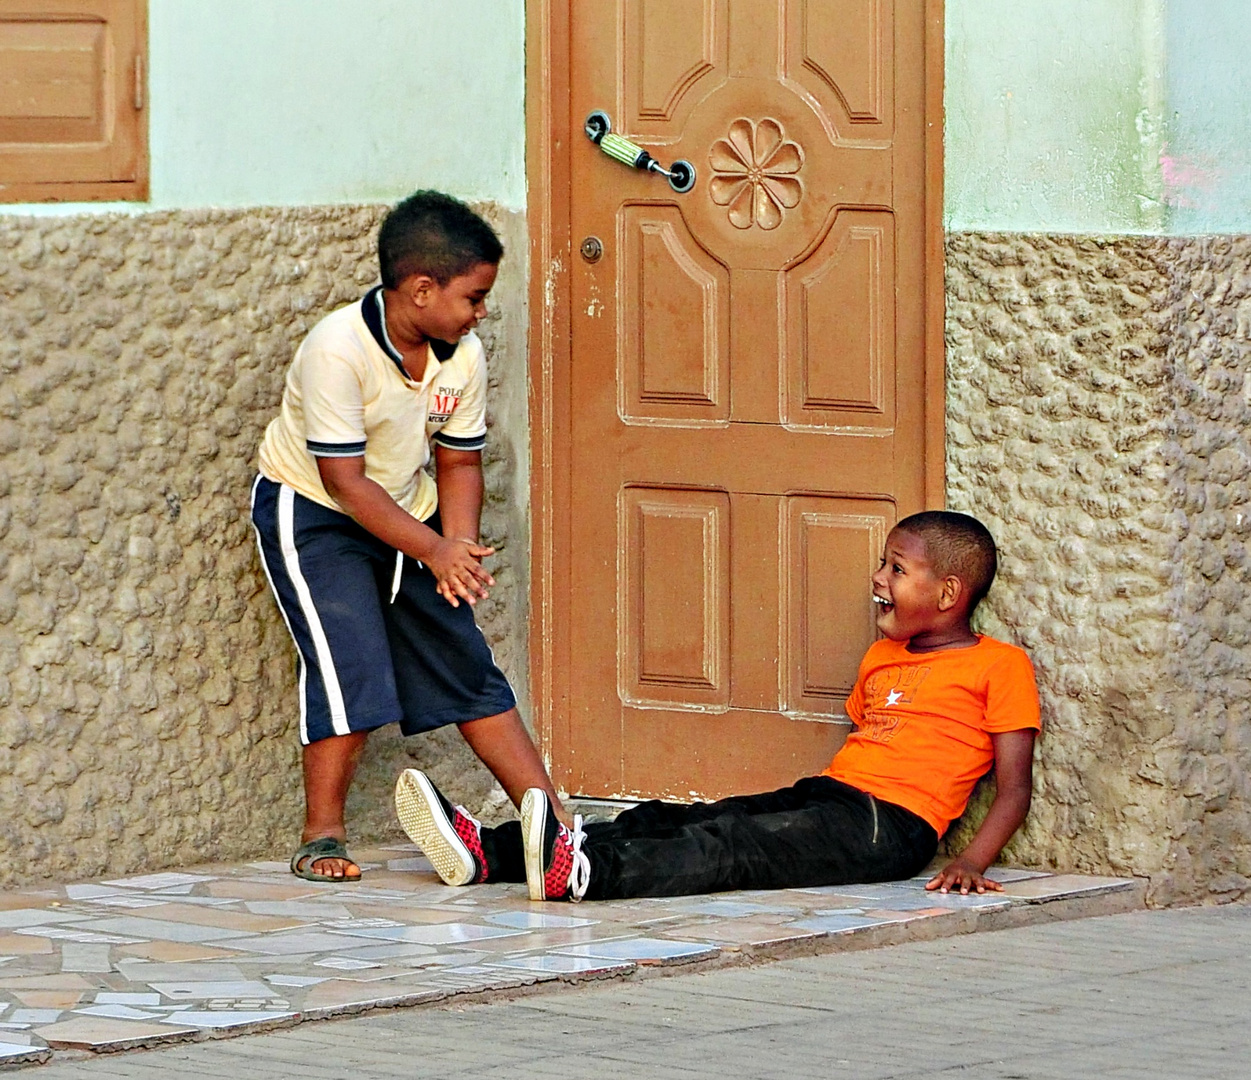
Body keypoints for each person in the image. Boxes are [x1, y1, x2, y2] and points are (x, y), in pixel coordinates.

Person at [396, 510, 1040, 901]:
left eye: (896, 569)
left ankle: (589, 872)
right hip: (832, 797)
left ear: (949, 592)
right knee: (683, 818)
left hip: (891, 831)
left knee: (735, 846)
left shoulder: (998, 665)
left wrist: (970, 861)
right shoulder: (884, 657)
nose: (878, 580)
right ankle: (492, 853)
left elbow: (1013, 787)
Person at [251, 190, 567, 883]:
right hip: (315, 514)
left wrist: (455, 551)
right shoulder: (337, 349)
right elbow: (343, 482)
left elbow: (457, 461)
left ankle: (553, 821)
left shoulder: (463, 355)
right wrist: (432, 550)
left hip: (408, 511)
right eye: (473, 296)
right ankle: (322, 836)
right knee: (351, 663)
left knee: (463, 658)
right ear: (421, 290)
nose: (481, 312)